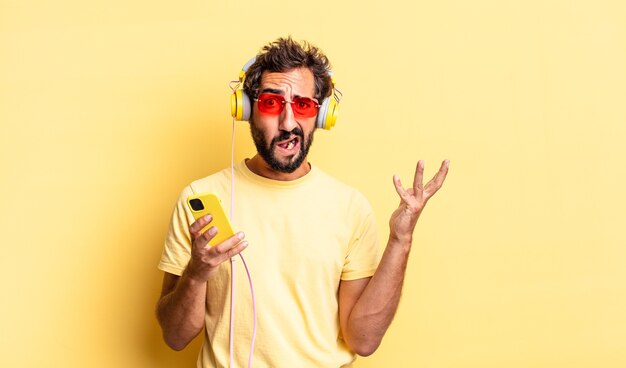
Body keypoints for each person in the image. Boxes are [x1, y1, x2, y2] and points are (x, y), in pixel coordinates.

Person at [156, 37, 449, 367]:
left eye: (304, 106)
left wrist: (400, 240)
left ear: (322, 114)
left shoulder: (350, 208)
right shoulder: (201, 199)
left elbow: (363, 341)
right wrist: (196, 274)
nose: (288, 123)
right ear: (247, 110)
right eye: (270, 104)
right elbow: (175, 336)